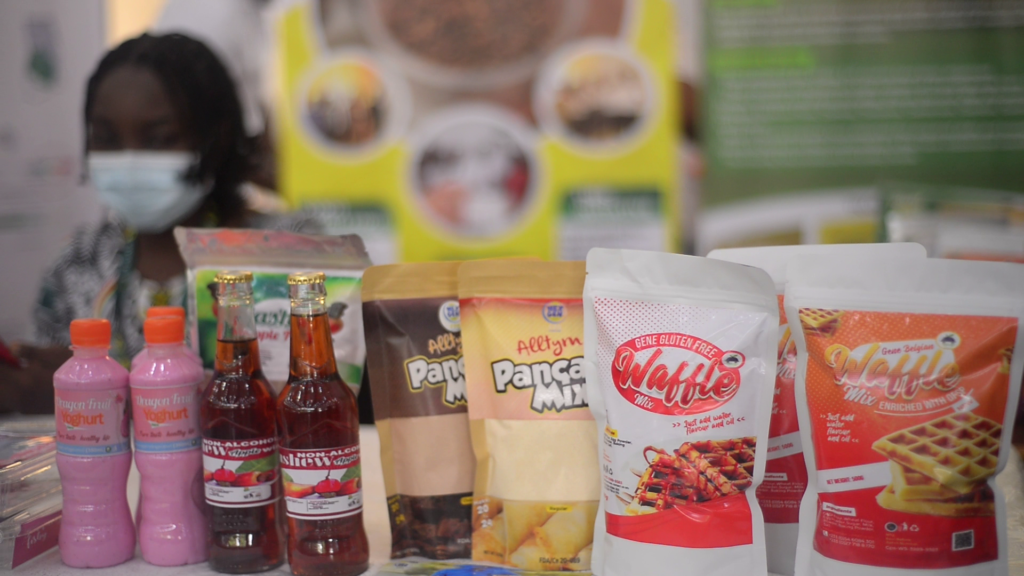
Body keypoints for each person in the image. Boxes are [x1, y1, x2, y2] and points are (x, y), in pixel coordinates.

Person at [1, 33, 254, 413]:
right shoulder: (76, 264)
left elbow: (304, 404)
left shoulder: (281, 256)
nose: (129, 159)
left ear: (215, 139)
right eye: (105, 138)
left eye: (158, 139)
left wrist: (99, 396)